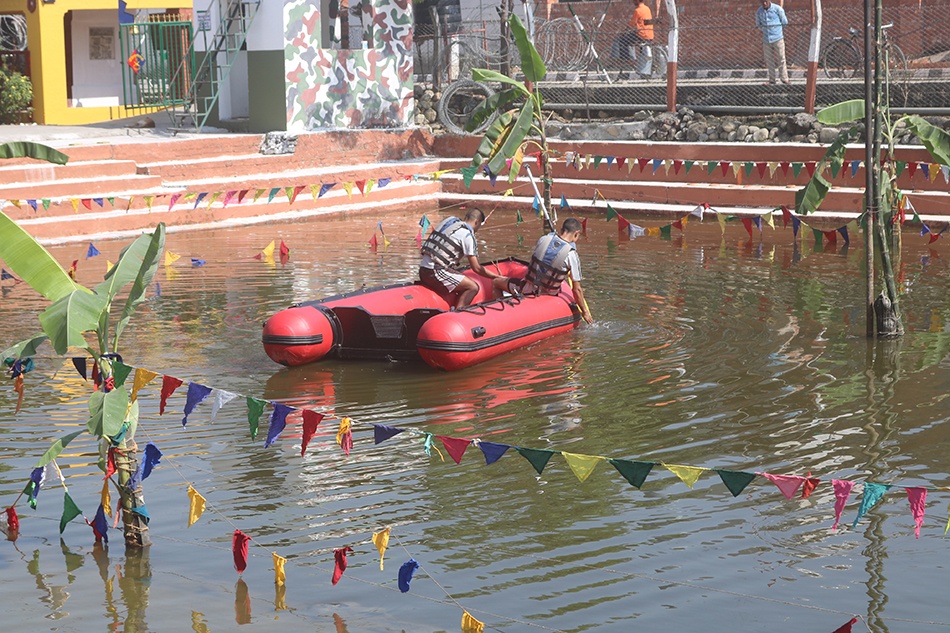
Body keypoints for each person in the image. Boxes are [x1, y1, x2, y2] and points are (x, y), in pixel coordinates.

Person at [493, 218, 594, 325]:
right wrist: (585, 312)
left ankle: (501, 314)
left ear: (561, 229)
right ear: (576, 234)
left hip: (525, 289)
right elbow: (577, 289)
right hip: (548, 295)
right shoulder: (572, 255)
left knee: (496, 282)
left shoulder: (543, 239)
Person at [419, 208, 502, 310]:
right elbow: (476, 268)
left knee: (462, 278)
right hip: (434, 272)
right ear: (477, 222)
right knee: (473, 287)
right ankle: (458, 313)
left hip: (423, 269)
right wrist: (496, 277)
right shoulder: (467, 235)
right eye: (479, 225)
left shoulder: (451, 225)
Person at [612, 0, 657, 76]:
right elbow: (646, 22)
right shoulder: (647, 8)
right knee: (629, 38)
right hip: (649, 34)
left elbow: (631, 24)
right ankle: (632, 57)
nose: (633, 2)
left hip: (641, 35)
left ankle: (628, 59)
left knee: (622, 41)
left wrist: (624, 32)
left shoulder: (638, 10)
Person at [756, 0, 789, 84]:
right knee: (769, 60)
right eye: (762, 1)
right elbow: (758, 25)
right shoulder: (759, 12)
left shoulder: (777, 9)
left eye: (766, 1)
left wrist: (776, 30)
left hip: (778, 38)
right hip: (766, 39)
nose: (764, 3)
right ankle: (772, 79)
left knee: (781, 58)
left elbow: (784, 22)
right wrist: (765, 30)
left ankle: (784, 78)